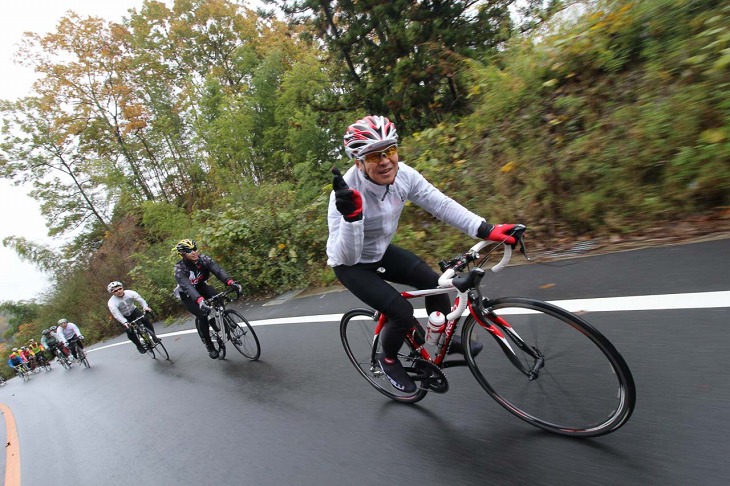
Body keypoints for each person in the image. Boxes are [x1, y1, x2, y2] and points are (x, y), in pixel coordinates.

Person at [327, 115, 518, 393]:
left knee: (434, 285)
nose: (385, 161)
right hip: (350, 264)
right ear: (358, 162)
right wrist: (353, 218)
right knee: (401, 313)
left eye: (389, 150)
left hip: (380, 251)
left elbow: (440, 204)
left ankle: (440, 342)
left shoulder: (404, 175)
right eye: (373, 155)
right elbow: (349, 255)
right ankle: (388, 359)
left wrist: (486, 230)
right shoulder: (344, 195)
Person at [173, 239, 242, 359]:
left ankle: (223, 321)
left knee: (217, 297)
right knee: (202, 315)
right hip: (188, 294)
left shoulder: (203, 259)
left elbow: (218, 270)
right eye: (189, 251)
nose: (194, 252)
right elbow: (188, 287)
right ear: (183, 254)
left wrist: (230, 282)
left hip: (200, 286)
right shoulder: (179, 269)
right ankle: (209, 345)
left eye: (195, 249)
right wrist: (199, 300)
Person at [107, 281, 159, 354]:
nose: (119, 291)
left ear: (122, 287)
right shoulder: (112, 302)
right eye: (115, 291)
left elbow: (140, 300)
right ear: (112, 293)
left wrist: (145, 307)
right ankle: (139, 345)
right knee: (129, 331)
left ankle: (154, 337)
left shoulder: (130, 293)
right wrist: (125, 322)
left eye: (120, 289)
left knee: (145, 320)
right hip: (123, 316)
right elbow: (117, 314)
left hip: (133, 310)